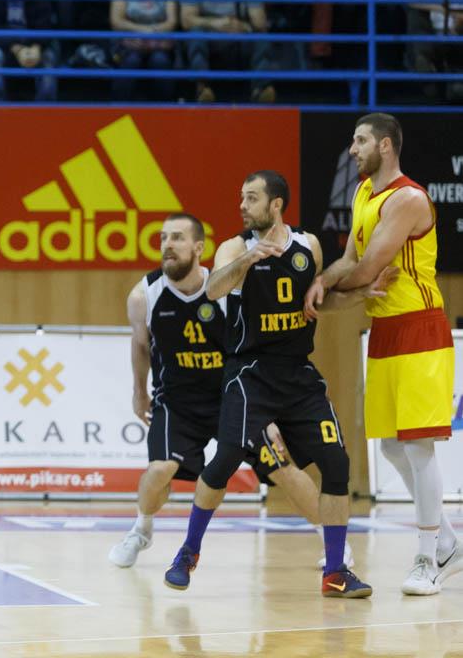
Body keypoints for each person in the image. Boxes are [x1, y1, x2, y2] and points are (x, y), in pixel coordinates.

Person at [163, 171, 373, 599]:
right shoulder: (234, 247)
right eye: (241, 197)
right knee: (224, 460)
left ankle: (335, 571)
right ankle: (188, 552)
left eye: (252, 198)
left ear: (276, 204)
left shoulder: (308, 246)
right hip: (249, 373)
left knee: (336, 463)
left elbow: (319, 303)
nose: (242, 205)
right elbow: (213, 290)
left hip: (297, 373)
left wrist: (362, 294)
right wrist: (248, 260)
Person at [109, 214, 336, 568]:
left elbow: (259, 347)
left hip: (234, 398)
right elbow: (140, 345)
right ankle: (142, 529)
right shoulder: (144, 295)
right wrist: (140, 392)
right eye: (164, 238)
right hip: (178, 404)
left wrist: (268, 411)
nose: (168, 245)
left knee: (282, 466)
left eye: (177, 238)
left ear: (198, 247)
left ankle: (333, 543)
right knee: (160, 469)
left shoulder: (226, 289)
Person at [306, 114, 458, 595]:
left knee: (417, 445)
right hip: (384, 328)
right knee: (391, 446)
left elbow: (371, 266)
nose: (353, 149)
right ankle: (448, 542)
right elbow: (351, 261)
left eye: (361, 140)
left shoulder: (408, 199)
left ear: (386, 145)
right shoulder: (363, 194)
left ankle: (427, 558)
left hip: (420, 325)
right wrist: (323, 280)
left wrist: (331, 285)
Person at [180, 0, 273, 103]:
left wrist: (243, 27)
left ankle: (260, 90)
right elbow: (186, 20)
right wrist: (216, 24)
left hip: (238, 41)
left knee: (262, 37)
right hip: (209, 42)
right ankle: (203, 89)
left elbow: (259, 22)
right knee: (195, 34)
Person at [109, 0, 178, 100]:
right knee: (132, 60)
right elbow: (116, 20)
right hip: (128, 41)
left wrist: (151, 35)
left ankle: (164, 109)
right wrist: (143, 31)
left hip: (159, 42)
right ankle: (119, 107)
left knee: (160, 61)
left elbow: (172, 22)